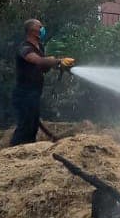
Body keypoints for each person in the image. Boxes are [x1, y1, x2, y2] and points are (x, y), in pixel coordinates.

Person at [10, 18, 74, 146]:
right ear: (32, 30)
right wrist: (58, 61)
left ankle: (27, 149)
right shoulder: (25, 48)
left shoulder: (40, 47)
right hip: (24, 93)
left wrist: (60, 66)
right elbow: (38, 61)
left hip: (35, 91)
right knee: (25, 126)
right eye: (40, 27)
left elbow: (43, 67)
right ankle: (14, 150)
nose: (42, 29)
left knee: (33, 125)